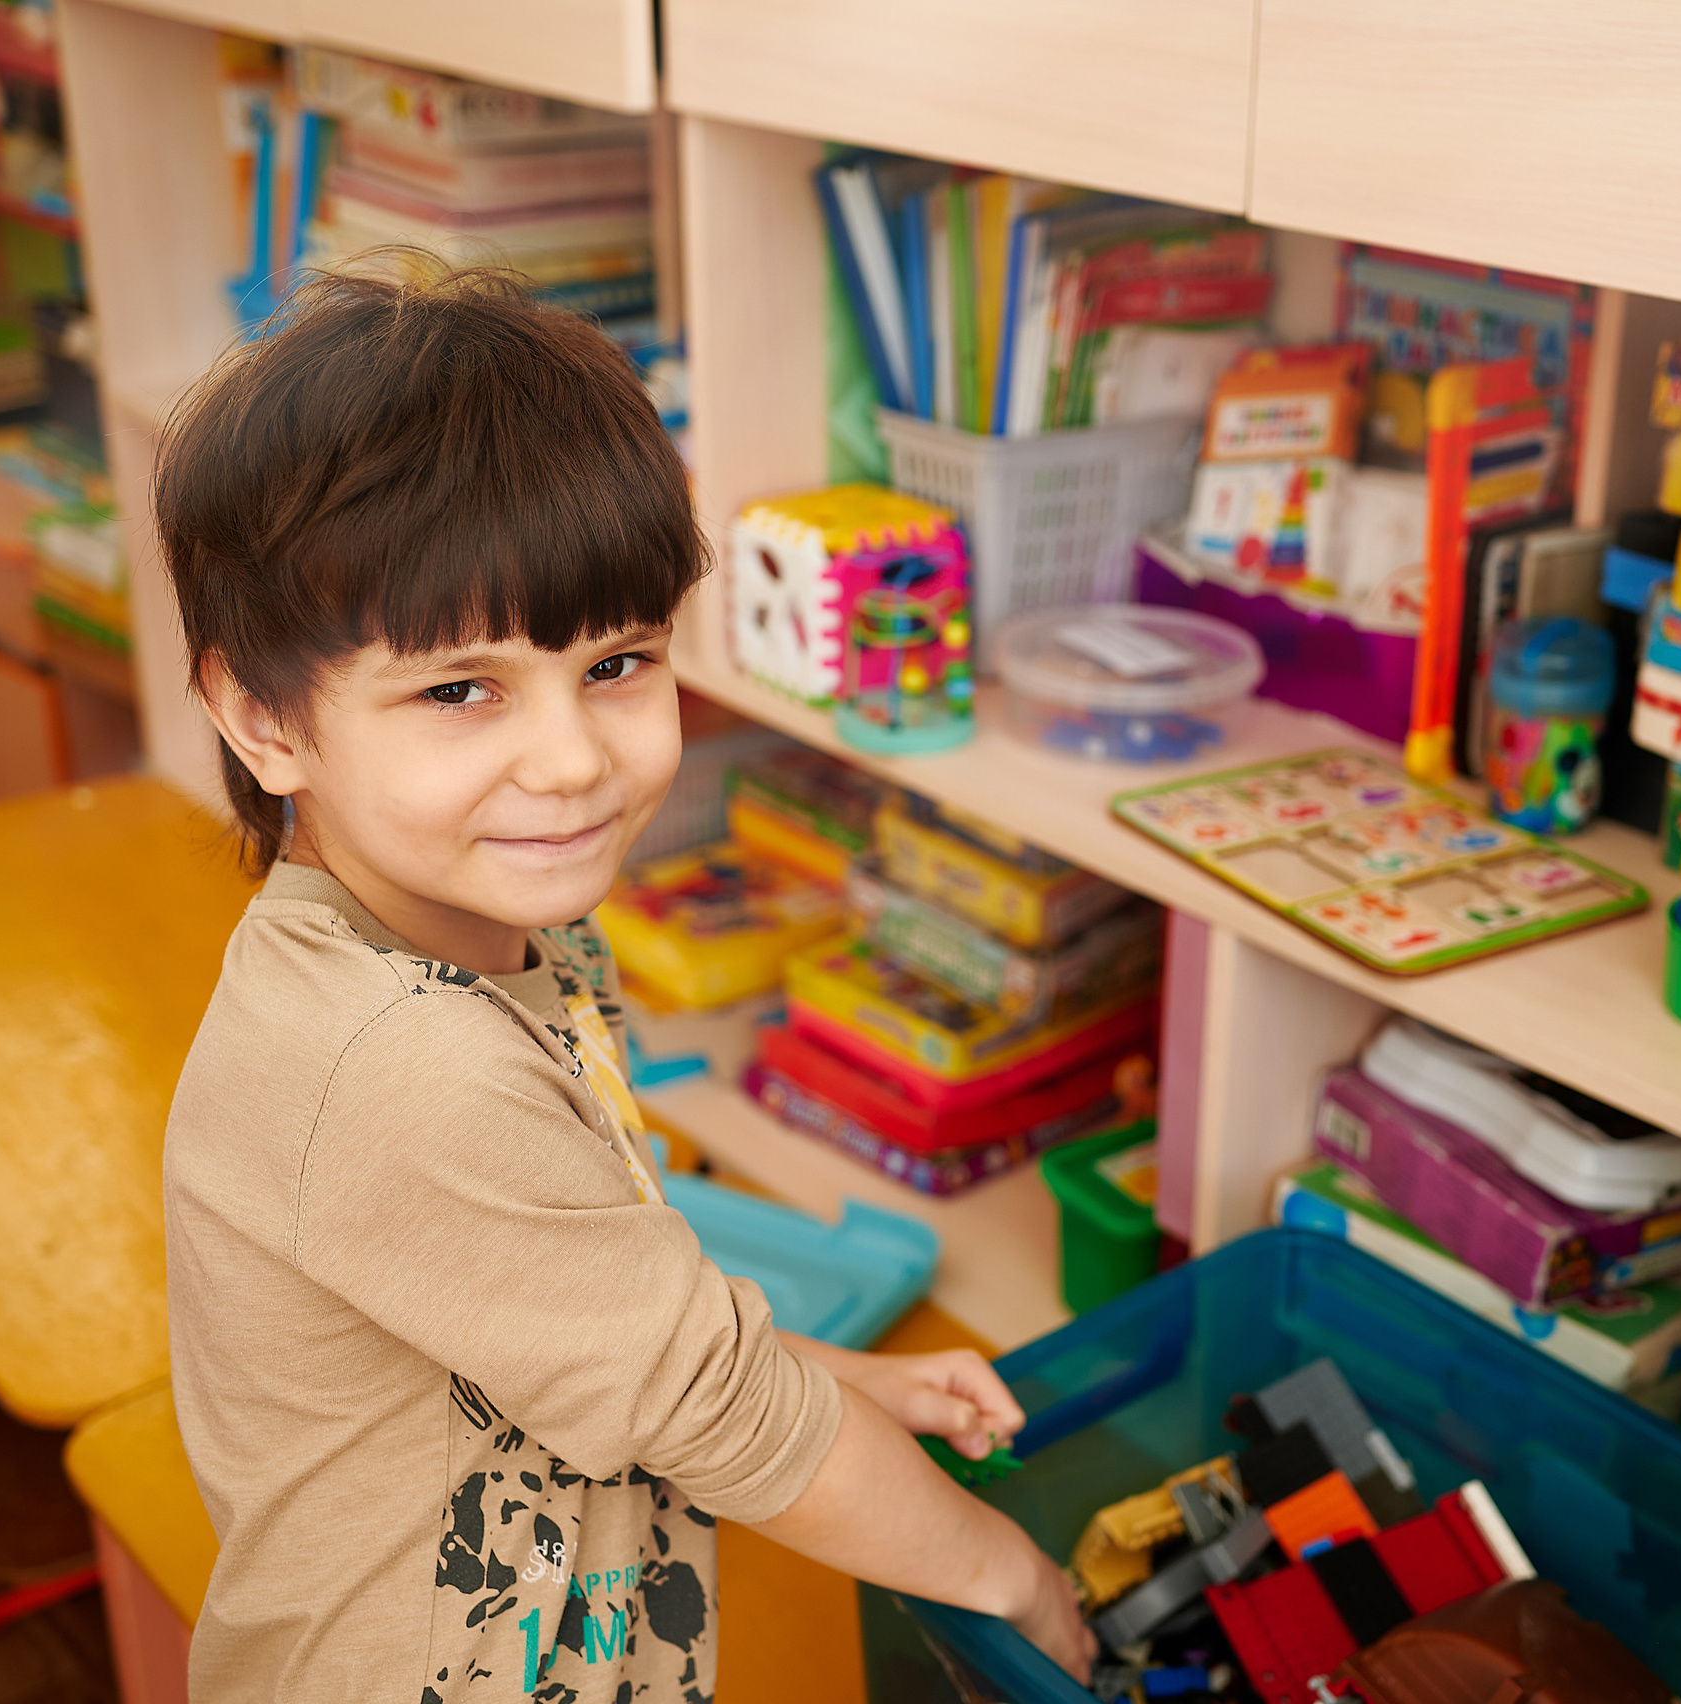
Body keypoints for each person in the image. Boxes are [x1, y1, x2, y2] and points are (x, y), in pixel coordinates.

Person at [156, 262, 1094, 1702]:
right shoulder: (402, 1065)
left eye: (617, 661)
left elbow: (606, 1306)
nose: (576, 758)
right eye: (460, 689)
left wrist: (847, 1385)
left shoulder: (495, 940)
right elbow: (707, 1403)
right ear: (262, 719)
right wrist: (1007, 1571)